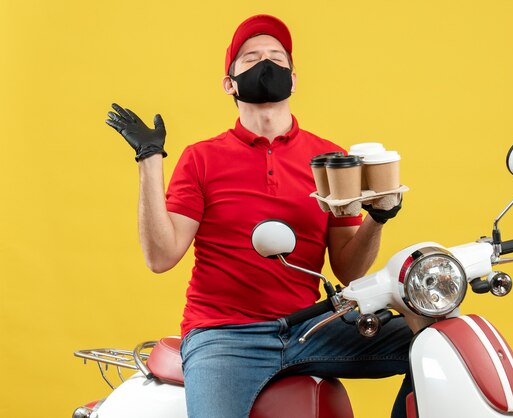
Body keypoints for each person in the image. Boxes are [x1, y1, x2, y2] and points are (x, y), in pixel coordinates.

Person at [106, 14, 413, 418]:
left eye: (276, 58)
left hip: (310, 329)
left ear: (294, 78)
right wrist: (149, 161)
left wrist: (377, 217)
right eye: (251, 59)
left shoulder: (332, 161)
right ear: (229, 83)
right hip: (223, 336)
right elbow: (160, 257)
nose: (266, 65)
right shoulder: (201, 159)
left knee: (434, 343)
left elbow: (347, 269)